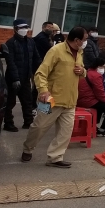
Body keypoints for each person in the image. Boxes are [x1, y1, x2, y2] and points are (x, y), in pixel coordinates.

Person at [21, 26, 88, 168]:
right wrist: (43, 91)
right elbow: (40, 73)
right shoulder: (56, 51)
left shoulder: (79, 53)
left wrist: (82, 71)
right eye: (84, 39)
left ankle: (55, 157)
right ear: (77, 40)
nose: (85, 42)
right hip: (50, 100)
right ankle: (28, 149)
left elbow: (83, 74)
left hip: (70, 101)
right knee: (39, 126)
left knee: (65, 132)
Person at [3, 19, 41, 132]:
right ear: (15, 29)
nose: (24, 30)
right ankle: (8, 123)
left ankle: (28, 122)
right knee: (10, 102)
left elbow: (36, 58)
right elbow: (10, 62)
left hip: (26, 77)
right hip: (13, 79)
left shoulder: (30, 42)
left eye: (26, 27)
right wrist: (15, 78)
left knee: (27, 100)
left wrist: (41, 70)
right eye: (21, 28)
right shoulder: (11, 43)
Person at [77, 55, 105, 137]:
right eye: (102, 66)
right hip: (88, 101)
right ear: (98, 66)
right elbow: (100, 92)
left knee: (100, 105)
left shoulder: (87, 72)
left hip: (81, 99)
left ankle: (93, 126)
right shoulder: (96, 76)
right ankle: (103, 129)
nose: (103, 69)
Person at [32, 21, 54, 108]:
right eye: (49, 27)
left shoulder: (46, 37)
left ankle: (36, 107)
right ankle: (37, 107)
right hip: (40, 66)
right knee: (40, 89)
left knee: (38, 88)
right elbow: (50, 51)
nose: (51, 29)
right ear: (43, 27)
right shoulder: (42, 39)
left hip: (41, 65)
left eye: (52, 27)